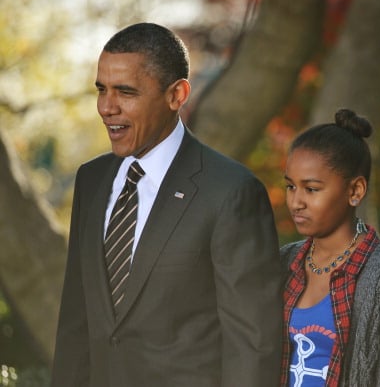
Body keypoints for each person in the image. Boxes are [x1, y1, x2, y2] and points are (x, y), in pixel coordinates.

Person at [51, 22, 283, 387]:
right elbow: (76, 325)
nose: (106, 107)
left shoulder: (231, 192)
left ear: (177, 95)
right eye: (101, 90)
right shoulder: (91, 180)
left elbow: (252, 346)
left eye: (125, 92)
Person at [280, 108, 380, 387]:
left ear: (355, 191)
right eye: (291, 187)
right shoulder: (283, 262)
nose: (296, 202)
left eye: (311, 189)